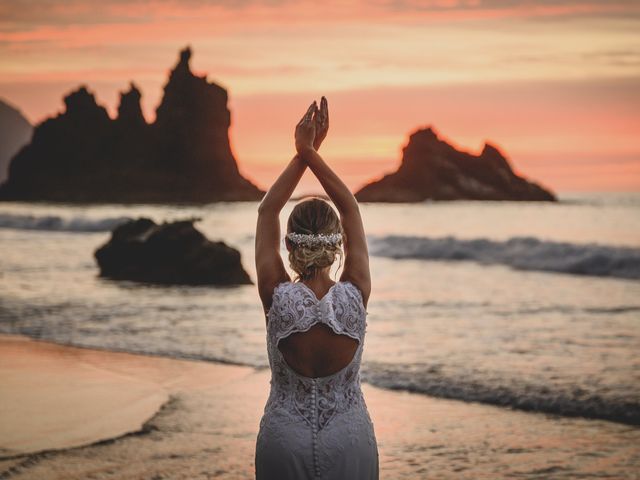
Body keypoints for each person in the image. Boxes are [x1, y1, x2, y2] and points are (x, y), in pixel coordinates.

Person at [254, 97, 379, 479]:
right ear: (339, 242)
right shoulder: (356, 290)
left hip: (284, 438)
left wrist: (302, 153)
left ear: (289, 245)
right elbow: (351, 207)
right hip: (349, 438)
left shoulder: (276, 295)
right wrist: (311, 153)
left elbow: (266, 211)